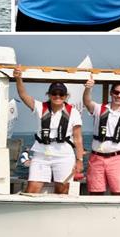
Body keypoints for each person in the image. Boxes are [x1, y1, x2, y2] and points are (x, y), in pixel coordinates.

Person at [13, 66, 84, 194]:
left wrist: (79, 161)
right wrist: (18, 79)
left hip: (64, 155)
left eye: (61, 94)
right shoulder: (40, 107)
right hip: (41, 154)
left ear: (66, 96)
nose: (58, 96)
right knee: (32, 189)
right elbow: (23, 96)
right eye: (54, 93)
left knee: (62, 189)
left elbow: (78, 139)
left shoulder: (74, 113)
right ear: (49, 95)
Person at [82, 79, 120, 195]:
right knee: (95, 194)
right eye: (116, 92)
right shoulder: (98, 109)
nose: (119, 96)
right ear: (111, 93)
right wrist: (88, 88)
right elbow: (87, 101)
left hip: (119, 159)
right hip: (96, 159)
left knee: (119, 193)